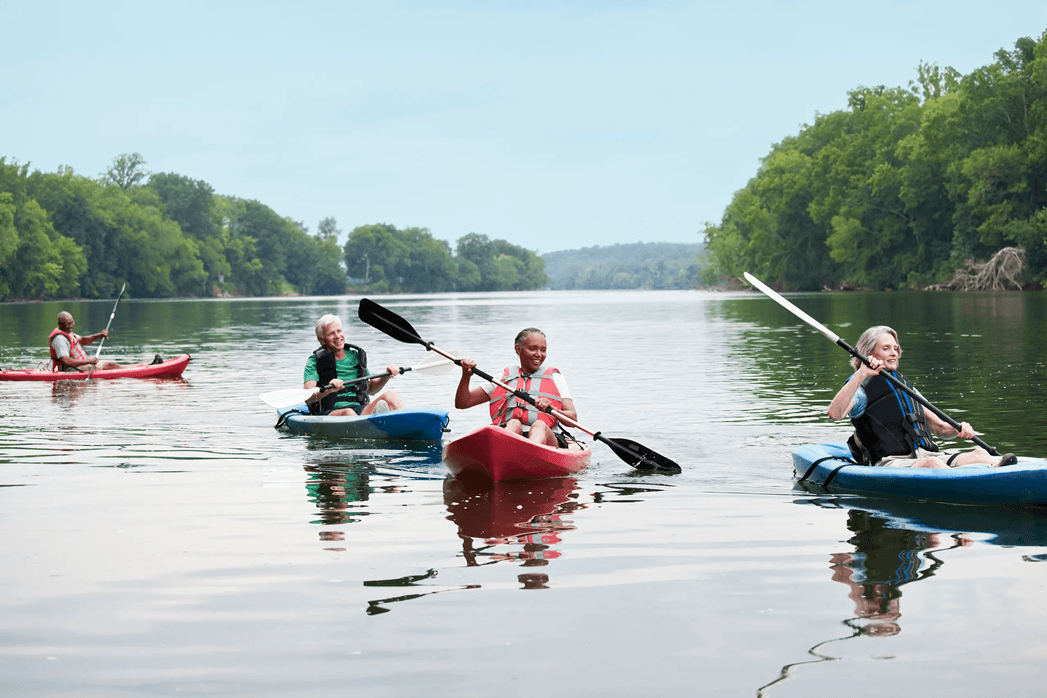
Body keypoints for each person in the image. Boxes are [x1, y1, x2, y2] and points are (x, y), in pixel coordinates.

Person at [827, 325, 1015, 468]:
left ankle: (1001, 473)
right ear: (869, 354)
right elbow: (834, 413)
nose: (893, 353)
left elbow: (939, 428)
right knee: (932, 464)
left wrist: (959, 429)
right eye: (886, 348)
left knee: (979, 453)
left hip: (924, 455)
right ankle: (971, 485)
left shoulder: (905, 387)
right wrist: (862, 373)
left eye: (895, 348)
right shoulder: (861, 387)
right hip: (890, 462)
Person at [455, 327, 577, 447]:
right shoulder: (503, 378)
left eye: (543, 350)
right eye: (532, 349)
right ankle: (506, 451)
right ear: (518, 350)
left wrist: (554, 410)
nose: (539, 354)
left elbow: (573, 420)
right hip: (511, 435)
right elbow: (463, 403)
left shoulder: (555, 378)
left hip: (547, 438)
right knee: (513, 423)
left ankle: (530, 452)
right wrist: (466, 376)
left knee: (539, 425)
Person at [303, 314, 405, 416]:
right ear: (321, 340)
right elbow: (308, 397)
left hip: (359, 409)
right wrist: (329, 389)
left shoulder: (355, 356)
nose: (337, 336)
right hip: (329, 412)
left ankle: (411, 423)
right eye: (331, 333)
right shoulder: (314, 361)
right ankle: (372, 425)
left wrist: (386, 376)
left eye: (339, 331)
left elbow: (371, 389)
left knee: (390, 396)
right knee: (348, 412)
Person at [49, 311, 123, 372]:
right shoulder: (60, 339)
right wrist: (89, 361)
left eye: (72, 323)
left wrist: (99, 335)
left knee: (112, 365)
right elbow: (66, 361)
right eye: (68, 324)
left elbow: (83, 340)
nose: (71, 326)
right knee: (111, 366)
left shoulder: (67, 332)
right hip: (72, 369)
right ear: (60, 324)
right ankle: (131, 372)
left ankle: (126, 369)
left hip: (79, 366)